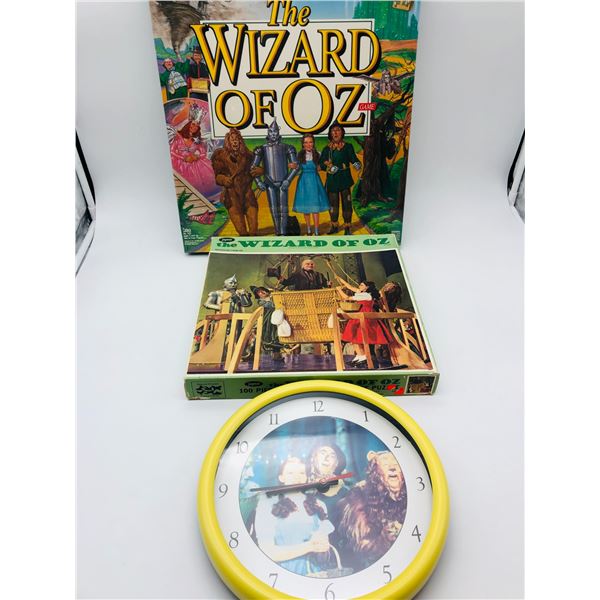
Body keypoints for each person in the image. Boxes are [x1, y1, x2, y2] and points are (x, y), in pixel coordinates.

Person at [253, 457, 334, 576]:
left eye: (301, 473)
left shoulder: (319, 505)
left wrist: (322, 549)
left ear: (306, 477)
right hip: (283, 575)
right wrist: (309, 546)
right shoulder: (267, 504)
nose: (297, 477)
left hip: (316, 575)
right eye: (290, 473)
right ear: (281, 478)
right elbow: (268, 551)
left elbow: (324, 557)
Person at [336, 451, 407, 573]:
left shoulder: (406, 497)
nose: (392, 467)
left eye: (396, 464)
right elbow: (359, 548)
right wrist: (385, 538)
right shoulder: (359, 496)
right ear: (376, 471)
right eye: (385, 464)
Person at [251, 119, 300, 235]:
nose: (273, 134)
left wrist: (288, 180)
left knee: (283, 209)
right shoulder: (261, 149)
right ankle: (278, 232)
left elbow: (296, 166)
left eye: (275, 131)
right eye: (271, 132)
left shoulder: (287, 147)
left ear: (278, 132)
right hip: (269, 183)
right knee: (274, 209)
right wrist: (258, 182)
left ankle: (283, 232)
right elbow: (253, 168)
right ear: (268, 133)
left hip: (283, 182)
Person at [335, 276, 392, 367]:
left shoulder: (366, 295)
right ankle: (359, 356)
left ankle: (363, 356)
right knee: (354, 337)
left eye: (361, 285)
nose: (359, 286)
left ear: (367, 287)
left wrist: (339, 290)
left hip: (364, 316)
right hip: (359, 314)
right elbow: (350, 287)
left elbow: (347, 297)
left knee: (359, 336)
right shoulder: (363, 293)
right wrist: (340, 279)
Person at [211, 128, 259, 235]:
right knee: (241, 231)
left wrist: (260, 170)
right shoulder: (220, 156)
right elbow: (217, 177)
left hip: (247, 194)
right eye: (232, 140)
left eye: (237, 139)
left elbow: (255, 169)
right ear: (228, 141)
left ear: (240, 141)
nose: (235, 142)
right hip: (231, 196)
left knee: (254, 229)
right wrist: (224, 179)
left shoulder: (249, 156)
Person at [319, 123, 361, 235]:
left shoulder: (348, 147)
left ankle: (347, 227)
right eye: (333, 131)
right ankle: (334, 226)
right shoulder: (326, 149)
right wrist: (328, 167)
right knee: (333, 204)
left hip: (345, 179)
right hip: (332, 180)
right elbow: (320, 164)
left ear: (342, 133)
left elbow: (354, 159)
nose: (335, 133)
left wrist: (357, 164)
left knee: (347, 203)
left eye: (338, 130)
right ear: (330, 134)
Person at [293, 134, 330, 235]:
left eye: (310, 142)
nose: (308, 144)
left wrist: (325, 165)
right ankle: (309, 228)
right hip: (303, 182)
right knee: (306, 207)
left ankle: (316, 230)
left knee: (315, 207)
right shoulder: (299, 155)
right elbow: (297, 169)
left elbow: (322, 166)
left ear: (313, 143)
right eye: (306, 142)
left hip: (314, 181)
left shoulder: (318, 154)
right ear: (303, 144)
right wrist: (294, 166)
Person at [170, 120, 216, 193]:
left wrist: (197, 157)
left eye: (197, 126)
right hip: (180, 164)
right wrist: (184, 158)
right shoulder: (179, 138)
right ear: (188, 125)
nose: (195, 127)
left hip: (194, 164)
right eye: (193, 124)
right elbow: (172, 151)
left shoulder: (196, 141)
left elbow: (203, 153)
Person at [250, 286, 284, 362]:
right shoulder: (261, 301)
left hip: (274, 322)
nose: (262, 293)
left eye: (262, 290)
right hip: (266, 323)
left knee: (275, 339)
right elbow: (271, 305)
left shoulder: (272, 298)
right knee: (262, 338)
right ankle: (252, 355)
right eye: (259, 292)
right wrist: (273, 296)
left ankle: (277, 356)